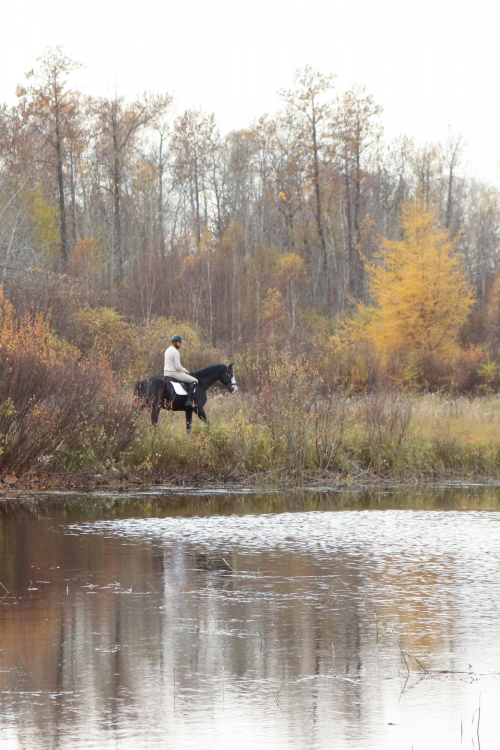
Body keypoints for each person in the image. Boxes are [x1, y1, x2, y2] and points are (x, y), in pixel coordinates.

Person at [164, 334, 198, 408]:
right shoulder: (175, 352)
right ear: (175, 342)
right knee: (194, 381)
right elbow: (178, 367)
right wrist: (185, 370)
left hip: (166, 373)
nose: (180, 344)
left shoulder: (167, 350)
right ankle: (188, 401)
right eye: (179, 342)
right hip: (174, 373)